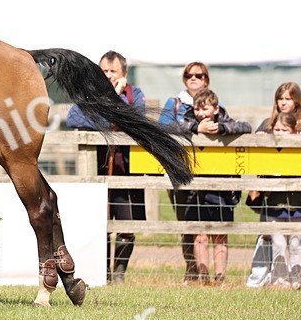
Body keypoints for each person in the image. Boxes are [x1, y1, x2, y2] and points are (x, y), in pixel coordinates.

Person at [65, 50, 146, 283]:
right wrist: (106, 109)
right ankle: (104, 273)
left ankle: (119, 274)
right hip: (96, 169)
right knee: (99, 223)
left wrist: (117, 96)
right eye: (104, 71)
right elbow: (75, 119)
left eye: (113, 71)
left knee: (126, 224)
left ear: (124, 74)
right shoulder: (89, 94)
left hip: (127, 170)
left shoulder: (134, 94)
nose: (108, 75)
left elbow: (135, 119)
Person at [246, 82, 301, 288]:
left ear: (297, 101)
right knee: (271, 236)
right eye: (280, 98)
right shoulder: (267, 124)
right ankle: (266, 275)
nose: (283, 102)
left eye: (288, 98)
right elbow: (257, 157)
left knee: (300, 238)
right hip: (272, 191)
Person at [175, 88, 252, 283]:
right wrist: (196, 129)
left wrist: (222, 130)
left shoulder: (226, 121)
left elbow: (246, 126)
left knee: (220, 234)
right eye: (197, 109)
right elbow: (174, 127)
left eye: (205, 108)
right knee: (199, 235)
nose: (201, 113)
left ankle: (220, 277)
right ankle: (203, 276)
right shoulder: (188, 120)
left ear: (216, 109)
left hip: (222, 190)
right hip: (196, 189)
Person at [158, 61, 213, 282]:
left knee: (207, 224)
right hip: (181, 169)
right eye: (189, 75)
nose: (194, 78)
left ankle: (208, 273)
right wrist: (195, 128)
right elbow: (163, 126)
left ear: (206, 80)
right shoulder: (175, 103)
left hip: (209, 170)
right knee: (187, 222)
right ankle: (191, 268)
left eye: (199, 76)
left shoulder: (214, 103)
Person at [248, 112, 301, 288]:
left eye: (285, 129)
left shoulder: (300, 148)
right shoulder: (267, 149)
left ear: (293, 131)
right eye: (277, 129)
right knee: (278, 243)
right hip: (273, 202)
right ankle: (279, 279)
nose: (280, 133)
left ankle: (298, 279)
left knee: (296, 243)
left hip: (296, 202)